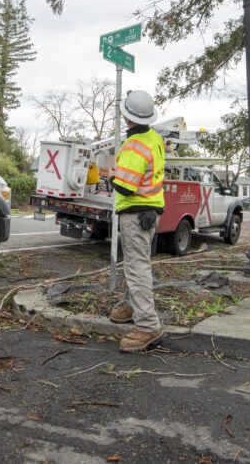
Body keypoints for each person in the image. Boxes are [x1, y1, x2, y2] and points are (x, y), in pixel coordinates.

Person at [109, 90, 166, 352]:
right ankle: (133, 306)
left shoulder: (133, 146)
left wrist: (110, 176)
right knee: (137, 263)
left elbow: (125, 187)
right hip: (150, 210)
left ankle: (147, 326)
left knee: (136, 266)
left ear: (126, 116)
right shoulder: (154, 138)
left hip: (134, 211)